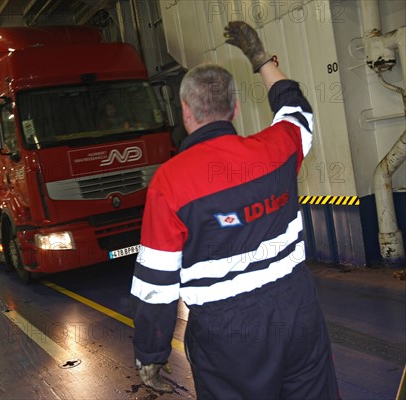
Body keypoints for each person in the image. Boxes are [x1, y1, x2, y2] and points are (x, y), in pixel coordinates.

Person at [131, 21, 341, 399]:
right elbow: (298, 109)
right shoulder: (277, 148)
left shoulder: (170, 182)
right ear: (236, 107)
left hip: (229, 337)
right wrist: (261, 60)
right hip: (299, 313)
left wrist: (152, 353)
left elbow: (156, 287)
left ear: (186, 111)